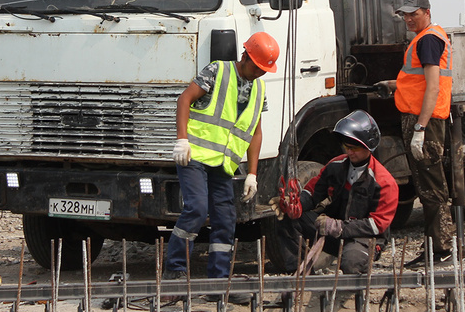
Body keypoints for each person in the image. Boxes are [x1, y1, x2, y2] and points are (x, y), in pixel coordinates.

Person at [163, 32, 278, 293]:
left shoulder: (259, 89)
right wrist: (182, 140)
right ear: (245, 56)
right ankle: (175, 270)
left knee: (226, 219)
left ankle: (219, 280)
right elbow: (184, 100)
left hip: (224, 164)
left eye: (264, 70)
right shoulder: (218, 71)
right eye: (257, 67)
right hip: (194, 156)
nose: (259, 74)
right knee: (196, 208)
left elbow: (255, 132)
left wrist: (252, 174)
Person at [270, 110, 399, 274]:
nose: (350, 152)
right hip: (333, 233)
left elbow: (377, 225)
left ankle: (357, 287)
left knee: (352, 264)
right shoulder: (335, 166)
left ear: (369, 146)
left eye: (355, 147)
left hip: (363, 239)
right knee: (288, 218)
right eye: (347, 147)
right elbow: (311, 193)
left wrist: (338, 227)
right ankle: (299, 274)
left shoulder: (384, 182)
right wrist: (294, 205)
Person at [394, 0, 454, 267]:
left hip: (425, 122)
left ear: (427, 13)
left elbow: (433, 86)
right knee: (429, 185)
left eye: (413, 14)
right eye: (405, 14)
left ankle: (441, 250)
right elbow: (419, 82)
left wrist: (420, 127)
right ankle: (436, 247)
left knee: (432, 187)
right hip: (424, 119)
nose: (408, 19)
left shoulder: (429, 39)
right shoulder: (428, 38)